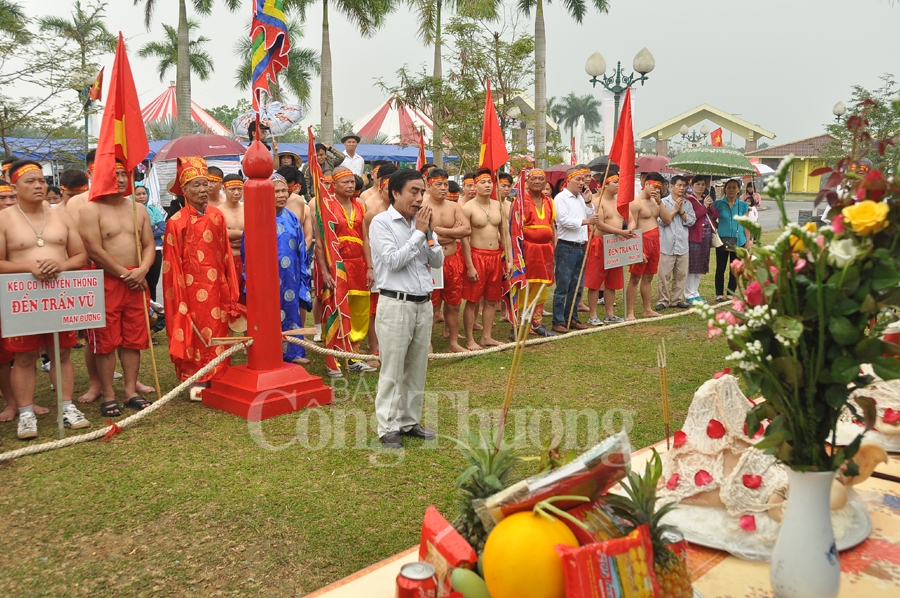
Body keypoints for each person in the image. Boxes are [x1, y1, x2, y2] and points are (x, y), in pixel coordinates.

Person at [0, 160, 90, 438]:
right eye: (31, 181)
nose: (39, 185)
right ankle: (26, 413)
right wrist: (30, 267)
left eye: (41, 180)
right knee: (24, 357)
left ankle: (68, 406)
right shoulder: (4, 219)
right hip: (23, 298)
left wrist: (60, 265)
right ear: (14, 187)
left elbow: (80, 256)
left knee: (61, 354)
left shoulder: (61, 217)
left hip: (59, 296)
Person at [369, 169, 443, 449]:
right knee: (392, 368)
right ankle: (387, 427)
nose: (420, 197)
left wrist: (429, 234)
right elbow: (392, 261)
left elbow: (436, 262)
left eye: (422, 192)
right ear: (396, 193)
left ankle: (409, 422)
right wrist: (419, 234)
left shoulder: (421, 224)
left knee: (417, 367)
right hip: (396, 303)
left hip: (423, 304)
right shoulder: (381, 223)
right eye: (414, 191)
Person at [79, 161, 156, 417]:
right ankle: (108, 394)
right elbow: (94, 250)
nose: (121, 179)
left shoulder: (139, 209)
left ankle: (130, 391)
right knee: (106, 341)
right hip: (107, 280)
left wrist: (142, 270)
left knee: (134, 338)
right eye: (115, 175)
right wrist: (125, 274)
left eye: (124, 174)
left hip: (136, 278)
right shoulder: (91, 210)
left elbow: (148, 245)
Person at [162, 156, 242, 387]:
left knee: (218, 328)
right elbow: (171, 265)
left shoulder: (217, 216)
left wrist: (230, 287)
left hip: (216, 286)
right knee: (194, 330)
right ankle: (195, 378)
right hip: (188, 288)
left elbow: (226, 254)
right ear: (184, 190)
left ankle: (219, 375)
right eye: (196, 185)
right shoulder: (176, 222)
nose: (203, 189)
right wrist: (179, 298)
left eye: (205, 183)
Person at [315, 166, 375, 378]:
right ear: (334, 185)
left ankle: (353, 356)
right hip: (337, 266)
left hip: (358, 265)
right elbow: (320, 244)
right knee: (335, 309)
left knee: (359, 309)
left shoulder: (360, 205)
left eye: (352, 182)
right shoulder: (326, 207)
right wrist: (325, 272)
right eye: (345, 182)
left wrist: (369, 267)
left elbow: (365, 238)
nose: (350, 186)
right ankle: (332, 359)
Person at [247, 173, 313, 365]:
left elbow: (301, 247)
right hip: (266, 276)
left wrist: (302, 275)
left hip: (290, 275)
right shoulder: (257, 216)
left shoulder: (292, 218)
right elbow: (248, 248)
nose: (282, 195)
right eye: (277, 192)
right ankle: (267, 351)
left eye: (284, 190)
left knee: (290, 310)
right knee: (268, 312)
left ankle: (294, 352)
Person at [461, 168, 511, 349]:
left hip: (496, 257)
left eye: (490, 182)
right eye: (483, 182)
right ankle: (469, 340)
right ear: (475, 185)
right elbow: (464, 238)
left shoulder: (499, 206)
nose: (488, 185)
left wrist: (510, 259)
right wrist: (469, 265)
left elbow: (505, 234)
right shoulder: (468, 208)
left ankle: (486, 337)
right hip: (477, 256)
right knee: (473, 300)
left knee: (491, 300)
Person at [423, 168, 471, 352]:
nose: (443, 188)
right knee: (430, 305)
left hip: (452, 260)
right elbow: (423, 234)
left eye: (445, 184)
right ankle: (427, 344)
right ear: (429, 186)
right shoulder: (422, 206)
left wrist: (439, 231)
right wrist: (452, 233)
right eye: (438, 184)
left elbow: (466, 230)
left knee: (454, 304)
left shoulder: (454, 206)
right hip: (431, 262)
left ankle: (453, 342)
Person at [552, 166, 597, 332]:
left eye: (583, 179)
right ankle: (558, 320)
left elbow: (591, 213)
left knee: (577, 285)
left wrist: (587, 200)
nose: (582, 182)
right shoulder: (561, 198)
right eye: (578, 179)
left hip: (580, 246)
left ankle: (572, 317)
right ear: (568, 180)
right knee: (563, 286)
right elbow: (563, 221)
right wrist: (586, 221)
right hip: (566, 246)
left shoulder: (580, 197)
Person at [585, 168, 633, 325]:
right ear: (605, 185)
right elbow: (600, 224)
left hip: (616, 243)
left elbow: (630, 218)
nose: (618, 185)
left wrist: (630, 228)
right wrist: (621, 231)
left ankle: (609, 313)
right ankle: (593, 315)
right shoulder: (596, 202)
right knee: (595, 282)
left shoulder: (621, 202)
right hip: (600, 243)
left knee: (612, 281)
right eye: (615, 182)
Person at [362, 163, 399, 364]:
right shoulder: (372, 212)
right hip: (377, 265)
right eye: (387, 190)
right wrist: (370, 267)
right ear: (381, 188)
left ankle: (392, 348)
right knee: (374, 310)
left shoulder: (405, 212)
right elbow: (365, 240)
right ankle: (374, 349)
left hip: (397, 266)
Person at [626, 172, 673, 321]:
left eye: (659, 187)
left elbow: (667, 220)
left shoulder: (656, 202)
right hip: (641, 241)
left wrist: (659, 202)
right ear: (646, 184)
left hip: (655, 242)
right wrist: (637, 249)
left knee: (648, 277)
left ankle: (647, 309)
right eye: (654, 186)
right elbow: (631, 227)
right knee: (635, 277)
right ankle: (630, 312)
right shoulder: (635, 202)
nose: (656, 190)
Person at [519, 168, 557, 336]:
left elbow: (552, 227)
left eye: (541, 179)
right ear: (527, 181)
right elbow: (515, 229)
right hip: (527, 249)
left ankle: (537, 323)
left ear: (545, 183)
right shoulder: (520, 201)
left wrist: (554, 248)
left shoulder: (550, 201)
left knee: (542, 286)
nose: (537, 181)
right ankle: (520, 325)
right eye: (533, 178)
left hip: (545, 250)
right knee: (525, 285)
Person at [655, 175, 696, 311]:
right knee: (664, 275)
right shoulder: (663, 203)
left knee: (681, 275)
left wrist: (682, 211)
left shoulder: (688, 203)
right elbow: (662, 221)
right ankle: (663, 300)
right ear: (671, 186)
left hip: (682, 244)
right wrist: (674, 211)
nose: (682, 188)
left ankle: (676, 299)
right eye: (679, 185)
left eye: (684, 186)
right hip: (667, 244)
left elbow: (691, 221)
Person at [713, 179, 751, 302]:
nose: (731, 190)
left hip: (738, 240)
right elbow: (712, 219)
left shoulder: (743, 205)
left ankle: (730, 293)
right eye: (729, 187)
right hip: (722, 240)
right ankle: (719, 293)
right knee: (720, 268)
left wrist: (748, 241)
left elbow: (746, 224)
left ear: (739, 190)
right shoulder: (718, 204)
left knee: (735, 269)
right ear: (725, 189)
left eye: (734, 187)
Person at [684, 176, 718, 305]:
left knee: (701, 266)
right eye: (697, 184)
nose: (700, 187)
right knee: (692, 266)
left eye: (703, 184)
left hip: (706, 237)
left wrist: (710, 205)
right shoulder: (689, 200)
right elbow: (693, 217)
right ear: (692, 186)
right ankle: (689, 294)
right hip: (694, 237)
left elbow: (715, 215)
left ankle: (695, 292)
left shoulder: (706, 199)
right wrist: (704, 207)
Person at [133, 182, 166, 303]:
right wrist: (153, 229)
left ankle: (153, 314)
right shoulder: (129, 211)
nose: (142, 196)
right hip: (136, 251)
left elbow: (163, 228)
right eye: (138, 194)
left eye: (144, 193)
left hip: (155, 250)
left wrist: (145, 233)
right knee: (139, 282)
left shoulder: (154, 210)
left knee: (152, 283)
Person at [220, 174, 246, 299]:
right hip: (228, 260)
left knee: (248, 299)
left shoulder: (248, 209)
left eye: (239, 189)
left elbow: (255, 233)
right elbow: (222, 235)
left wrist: (231, 235)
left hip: (246, 260)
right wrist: (244, 234)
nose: (236, 192)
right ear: (224, 189)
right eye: (232, 189)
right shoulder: (218, 212)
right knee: (229, 299)